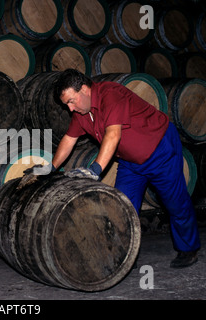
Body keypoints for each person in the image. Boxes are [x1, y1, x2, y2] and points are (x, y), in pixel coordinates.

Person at [20, 69, 200, 268]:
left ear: (85, 90)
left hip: (160, 150)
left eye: (72, 101)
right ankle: (120, 256)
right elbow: (69, 139)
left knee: (176, 203)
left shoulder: (111, 95)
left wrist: (95, 169)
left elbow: (113, 134)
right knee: (120, 207)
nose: (70, 109)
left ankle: (188, 249)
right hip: (130, 162)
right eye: (66, 104)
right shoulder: (82, 113)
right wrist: (51, 168)